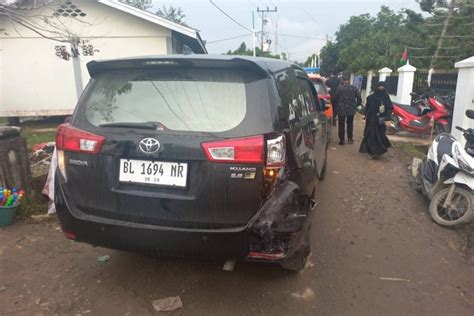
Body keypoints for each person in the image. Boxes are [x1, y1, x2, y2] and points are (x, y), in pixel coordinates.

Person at [359, 81, 393, 158]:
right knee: (371, 135)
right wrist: (365, 115)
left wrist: (387, 118)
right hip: (371, 120)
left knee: (380, 136)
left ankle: (378, 151)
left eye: (383, 87)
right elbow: (367, 108)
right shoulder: (370, 98)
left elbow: (389, 108)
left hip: (381, 121)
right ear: (376, 87)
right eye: (379, 86)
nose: (381, 88)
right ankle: (372, 152)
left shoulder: (386, 97)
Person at [333, 78, 362, 145]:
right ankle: (350, 138)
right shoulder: (354, 88)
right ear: (349, 81)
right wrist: (356, 105)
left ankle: (342, 140)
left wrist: (336, 106)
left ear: (343, 81)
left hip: (341, 108)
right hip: (351, 108)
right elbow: (359, 98)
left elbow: (335, 98)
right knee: (350, 123)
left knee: (341, 124)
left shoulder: (339, 88)